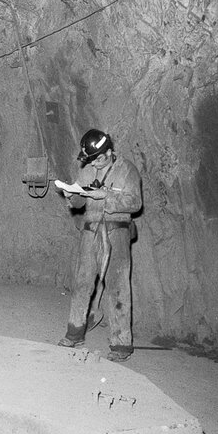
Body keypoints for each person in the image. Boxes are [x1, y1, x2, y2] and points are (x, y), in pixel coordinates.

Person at [57, 129, 142, 362]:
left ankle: (121, 344)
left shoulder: (127, 170)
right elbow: (78, 200)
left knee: (117, 286)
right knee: (82, 281)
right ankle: (74, 333)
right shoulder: (87, 169)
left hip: (116, 233)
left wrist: (105, 197)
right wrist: (72, 195)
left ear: (109, 152)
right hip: (90, 230)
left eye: (97, 159)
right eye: (90, 160)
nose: (94, 165)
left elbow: (135, 202)